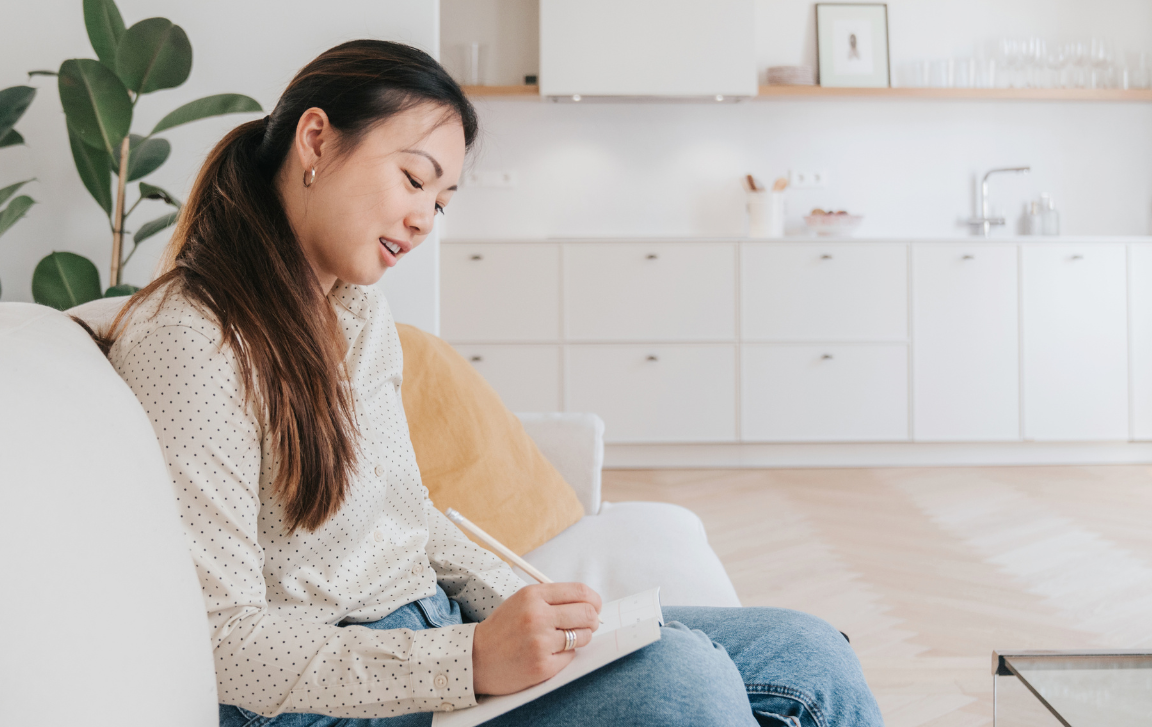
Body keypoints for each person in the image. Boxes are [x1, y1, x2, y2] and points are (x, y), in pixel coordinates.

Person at [95, 39, 884, 727]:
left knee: (808, 651)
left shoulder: (353, 309)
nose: (424, 219)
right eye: (413, 179)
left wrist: (532, 609)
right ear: (315, 141)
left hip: (428, 633)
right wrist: (466, 659)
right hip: (322, 701)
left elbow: (410, 518)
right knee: (685, 677)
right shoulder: (190, 340)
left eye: (441, 200)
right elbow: (224, 638)